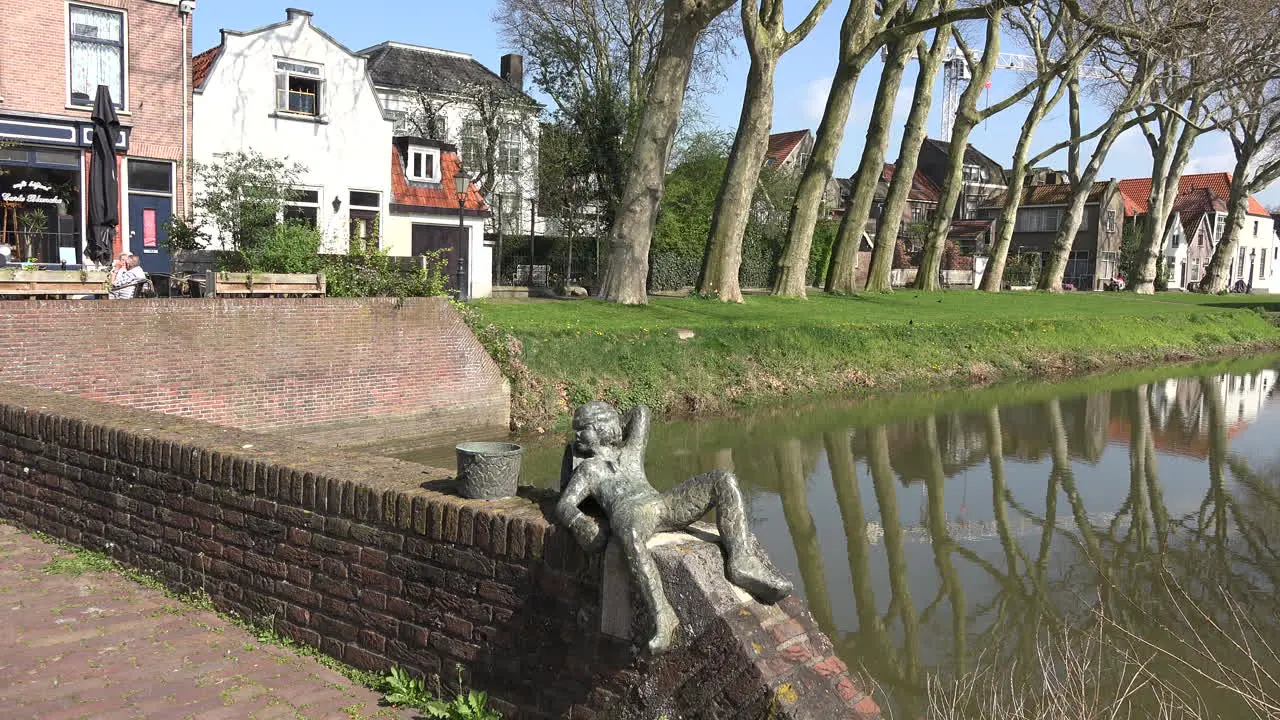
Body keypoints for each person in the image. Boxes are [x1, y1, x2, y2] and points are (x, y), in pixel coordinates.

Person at [556, 401, 792, 654]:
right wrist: (580, 523)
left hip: (663, 504)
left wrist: (613, 425)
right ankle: (663, 613)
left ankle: (741, 560)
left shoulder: (630, 454)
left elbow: (641, 412)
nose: (577, 435)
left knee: (722, 480)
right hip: (632, 516)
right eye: (576, 430)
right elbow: (564, 505)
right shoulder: (588, 470)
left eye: (584, 428)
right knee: (629, 530)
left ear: (602, 428)